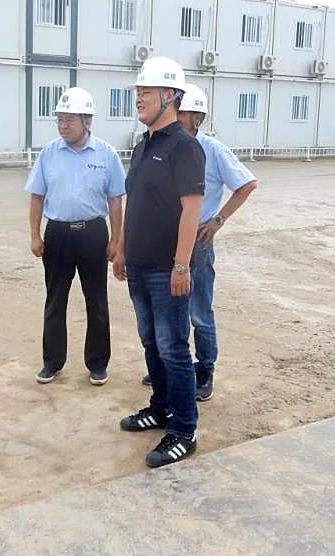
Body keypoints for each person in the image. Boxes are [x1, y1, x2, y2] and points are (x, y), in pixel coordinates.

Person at [113, 56, 206, 468]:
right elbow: (136, 203)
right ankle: (161, 407)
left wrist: (181, 265)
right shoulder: (143, 144)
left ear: (169, 95)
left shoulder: (184, 147)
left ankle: (184, 430)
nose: (139, 99)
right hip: (138, 265)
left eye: (145, 92)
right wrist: (122, 249)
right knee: (151, 342)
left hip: (168, 271)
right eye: (138, 92)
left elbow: (191, 210)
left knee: (174, 349)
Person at [141, 84, 257, 400]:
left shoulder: (212, 150)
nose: (175, 118)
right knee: (165, 307)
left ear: (197, 117)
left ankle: (204, 369)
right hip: (164, 240)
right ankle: (169, 365)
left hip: (197, 242)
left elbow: (247, 184)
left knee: (199, 310)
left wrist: (218, 220)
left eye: (182, 114)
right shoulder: (163, 145)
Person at [24, 86, 126, 386]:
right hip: (57, 233)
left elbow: (115, 200)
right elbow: (36, 196)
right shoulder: (49, 153)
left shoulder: (106, 154)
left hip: (93, 233)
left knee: (97, 300)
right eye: (59, 119)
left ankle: (97, 364)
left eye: (69, 119)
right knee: (55, 300)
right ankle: (52, 362)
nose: (63, 125)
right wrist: (35, 234)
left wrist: (116, 240)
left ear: (87, 121)